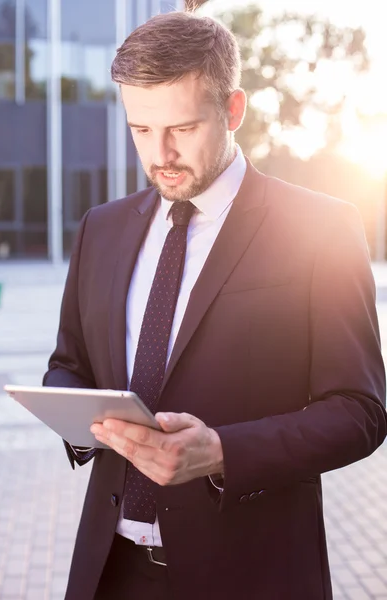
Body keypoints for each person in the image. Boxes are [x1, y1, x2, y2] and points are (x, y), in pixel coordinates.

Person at [43, 10, 387, 600]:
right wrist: (82, 420)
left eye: (181, 127)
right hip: (111, 571)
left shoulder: (321, 228)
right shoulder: (100, 229)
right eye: (141, 130)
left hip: (252, 573)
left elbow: (360, 412)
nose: (161, 153)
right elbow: (69, 362)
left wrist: (223, 452)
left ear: (232, 111)